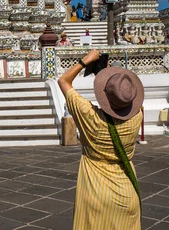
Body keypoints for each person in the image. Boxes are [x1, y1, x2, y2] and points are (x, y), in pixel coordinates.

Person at [58, 49, 143, 230]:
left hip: (96, 191)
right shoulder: (138, 116)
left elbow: (63, 81)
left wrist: (86, 61)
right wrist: (109, 76)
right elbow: (126, 94)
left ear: (104, 95)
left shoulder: (90, 117)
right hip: (127, 192)